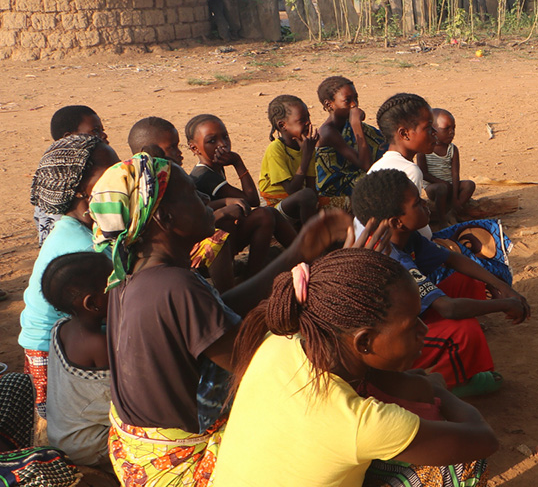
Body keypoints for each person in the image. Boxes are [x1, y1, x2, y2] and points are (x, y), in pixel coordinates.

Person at [91, 153, 376, 486]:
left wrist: (300, 251)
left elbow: (221, 312)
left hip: (140, 457)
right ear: (165, 218)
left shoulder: (133, 277)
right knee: (336, 426)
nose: (204, 198)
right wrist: (345, 278)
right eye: (191, 193)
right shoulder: (174, 287)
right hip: (186, 466)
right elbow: (263, 367)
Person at [210, 249, 499, 487]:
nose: (424, 330)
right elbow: (483, 439)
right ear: (363, 342)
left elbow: (379, 376)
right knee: (462, 463)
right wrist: (440, 391)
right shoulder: (359, 422)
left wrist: (415, 384)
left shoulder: (282, 340)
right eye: (412, 324)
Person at [351, 169, 530, 396]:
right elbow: (449, 308)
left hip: (407, 315)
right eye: (417, 203)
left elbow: (453, 258)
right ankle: (449, 384)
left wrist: (502, 286)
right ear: (397, 221)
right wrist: (504, 304)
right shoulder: (392, 258)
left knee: (465, 280)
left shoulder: (407, 237)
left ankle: (460, 356)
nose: (426, 204)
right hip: (385, 344)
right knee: (464, 331)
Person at [19, 134, 119, 418]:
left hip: (58, 341)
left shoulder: (77, 226)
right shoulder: (84, 249)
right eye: (109, 173)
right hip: (55, 357)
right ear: (80, 190)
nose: (119, 178)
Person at [186, 113, 297, 283]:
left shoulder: (213, 168)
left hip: (221, 241)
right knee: (265, 216)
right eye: (212, 141)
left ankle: (292, 257)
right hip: (209, 251)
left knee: (266, 215)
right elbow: (251, 199)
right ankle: (257, 275)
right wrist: (238, 162)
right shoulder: (204, 176)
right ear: (194, 148)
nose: (222, 144)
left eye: (225, 137)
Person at [41, 251, 112, 469]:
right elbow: (123, 400)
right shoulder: (97, 345)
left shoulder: (60, 327)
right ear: (92, 303)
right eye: (114, 283)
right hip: (89, 446)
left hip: (62, 435)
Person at [32, 105, 108, 247]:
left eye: (102, 130)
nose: (104, 136)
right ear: (69, 138)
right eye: (95, 131)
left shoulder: (51, 177)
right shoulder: (61, 185)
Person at [367, 93, 437, 239]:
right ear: (405, 134)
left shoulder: (379, 165)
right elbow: (410, 228)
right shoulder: (410, 171)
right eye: (429, 128)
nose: (435, 133)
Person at [315, 76, 386, 211]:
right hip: (335, 187)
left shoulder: (347, 124)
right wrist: (356, 124)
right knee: (377, 182)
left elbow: (382, 143)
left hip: (352, 176)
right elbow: (365, 166)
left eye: (356, 98)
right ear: (329, 104)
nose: (354, 104)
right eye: (347, 101)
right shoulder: (328, 132)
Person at [257, 95, 320, 226]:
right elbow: (292, 190)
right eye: (302, 120)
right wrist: (306, 156)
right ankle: (309, 238)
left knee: (345, 203)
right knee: (306, 196)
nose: (308, 123)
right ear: (282, 125)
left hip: (299, 202)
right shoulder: (275, 149)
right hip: (275, 207)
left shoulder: (307, 147)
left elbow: (311, 187)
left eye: (308, 117)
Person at [417, 108, 477, 221]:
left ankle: (453, 212)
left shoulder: (452, 149)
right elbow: (423, 173)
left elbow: (455, 174)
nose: (452, 132)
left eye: (453, 128)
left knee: (469, 185)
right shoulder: (423, 149)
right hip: (433, 188)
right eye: (446, 129)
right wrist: (442, 182)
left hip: (450, 185)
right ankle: (442, 220)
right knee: (441, 188)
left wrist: (455, 197)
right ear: (433, 130)